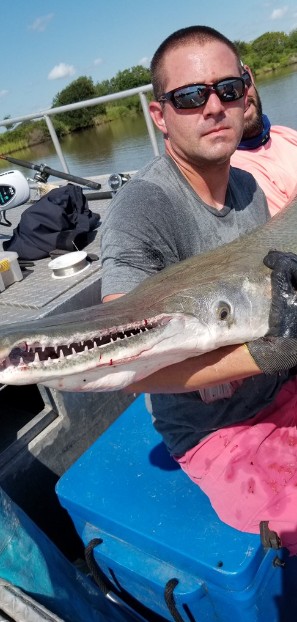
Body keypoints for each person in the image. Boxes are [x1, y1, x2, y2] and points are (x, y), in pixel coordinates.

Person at [100, 26, 297, 553]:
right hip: (220, 432)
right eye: (190, 97)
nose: (214, 107)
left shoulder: (249, 185)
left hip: (282, 390)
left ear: (247, 93)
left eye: (228, 89)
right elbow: (122, 364)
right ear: (159, 114)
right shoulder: (142, 210)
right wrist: (269, 353)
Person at [231, 66, 297, 215]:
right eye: (227, 91)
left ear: (250, 75)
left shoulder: (281, 133)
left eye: (242, 81)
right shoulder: (238, 175)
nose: (241, 96)